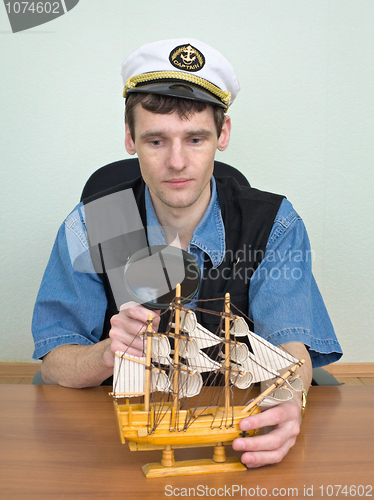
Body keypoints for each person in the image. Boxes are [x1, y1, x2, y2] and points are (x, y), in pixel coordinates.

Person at [32, 38, 342, 468]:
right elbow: (54, 362)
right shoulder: (100, 222)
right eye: (156, 141)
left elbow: (290, 352)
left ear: (223, 134)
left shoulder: (271, 223)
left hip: (238, 430)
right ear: (129, 138)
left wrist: (288, 402)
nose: (177, 162)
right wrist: (106, 354)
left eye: (195, 139)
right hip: (117, 442)